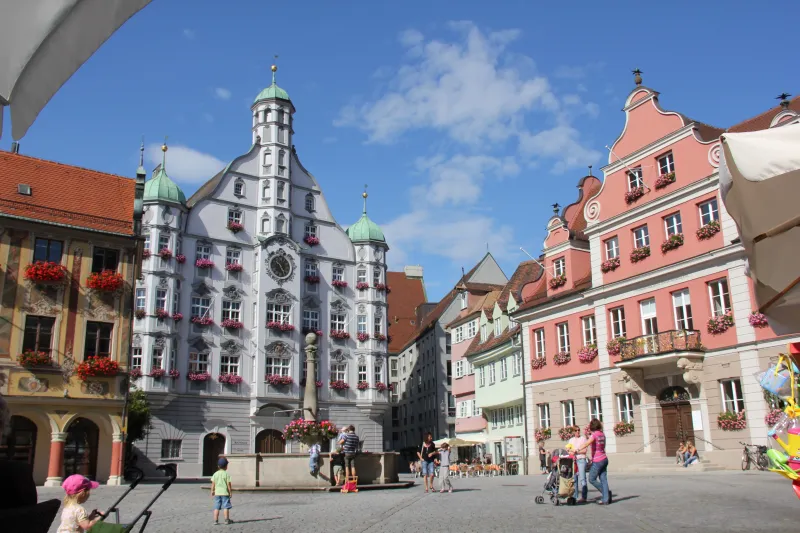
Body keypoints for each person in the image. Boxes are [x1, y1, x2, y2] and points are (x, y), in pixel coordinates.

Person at [578, 419, 612, 505]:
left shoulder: (594, 435)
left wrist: (577, 449)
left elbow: (587, 443)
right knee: (603, 479)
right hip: (604, 458)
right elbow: (603, 445)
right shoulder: (602, 434)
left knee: (591, 479)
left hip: (598, 460)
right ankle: (606, 499)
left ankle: (606, 493)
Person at [568, 432, 590, 503]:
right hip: (573, 460)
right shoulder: (571, 440)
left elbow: (585, 450)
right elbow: (568, 450)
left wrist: (576, 451)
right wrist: (572, 451)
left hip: (581, 460)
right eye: (576, 430)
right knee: (574, 479)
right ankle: (575, 496)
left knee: (582, 479)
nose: (578, 431)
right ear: (573, 432)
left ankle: (584, 497)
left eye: (578, 430)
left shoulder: (583, 439)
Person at [211, 457, 233, 525]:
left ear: (218, 466)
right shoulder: (226, 474)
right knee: (226, 507)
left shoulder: (215, 474)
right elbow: (228, 485)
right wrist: (230, 492)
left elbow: (213, 483)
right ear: (226, 466)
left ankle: (215, 520)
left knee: (216, 507)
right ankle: (226, 520)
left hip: (217, 493)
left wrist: (212, 490)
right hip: (225, 493)